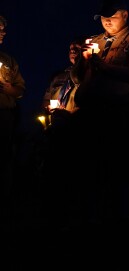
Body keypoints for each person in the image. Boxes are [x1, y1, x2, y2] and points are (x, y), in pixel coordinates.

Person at [71, 0, 129, 230]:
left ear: (125, 15)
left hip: (122, 115)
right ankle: (92, 218)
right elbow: (77, 77)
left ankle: (122, 220)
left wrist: (106, 68)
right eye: (103, 17)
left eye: (112, 16)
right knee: (93, 169)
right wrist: (85, 60)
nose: (107, 21)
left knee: (122, 169)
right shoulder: (94, 40)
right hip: (93, 115)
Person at [39, 37, 85, 228]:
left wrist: (73, 113)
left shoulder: (89, 74)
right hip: (56, 129)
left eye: (77, 47)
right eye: (70, 48)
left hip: (78, 130)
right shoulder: (58, 76)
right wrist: (48, 111)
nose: (73, 50)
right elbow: (46, 99)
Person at [0, 14, 26, 229]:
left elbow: (20, 90)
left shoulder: (8, 60)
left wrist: (10, 89)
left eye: (3, 29)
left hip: (4, 118)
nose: (3, 32)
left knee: (5, 158)